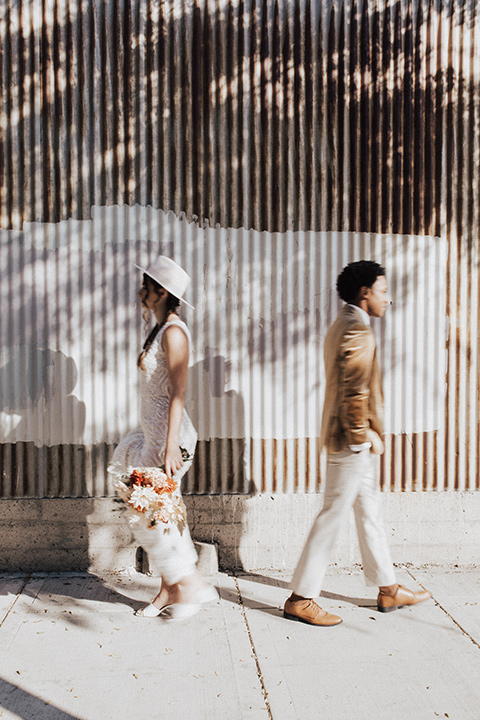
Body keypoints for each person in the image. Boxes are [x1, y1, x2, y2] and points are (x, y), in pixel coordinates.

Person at [284, 261, 431, 626]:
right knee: (333, 515)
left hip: (350, 441)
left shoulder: (344, 324)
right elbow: (353, 392)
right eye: (383, 290)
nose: (388, 298)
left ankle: (389, 588)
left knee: (369, 512)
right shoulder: (357, 331)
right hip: (350, 441)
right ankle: (301, 598)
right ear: (365, 292)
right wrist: (365, 435)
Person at [108, 256, 216, 619]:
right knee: (156, 511)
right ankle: (170, 590)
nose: (141, 291)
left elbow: (178, 394)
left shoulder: (174, 332)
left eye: (147, 285)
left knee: (152, 513)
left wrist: (169, 445)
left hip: (169, 437)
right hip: (153, 432)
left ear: (161, 292)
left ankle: (188, 582)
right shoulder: (159, 328)